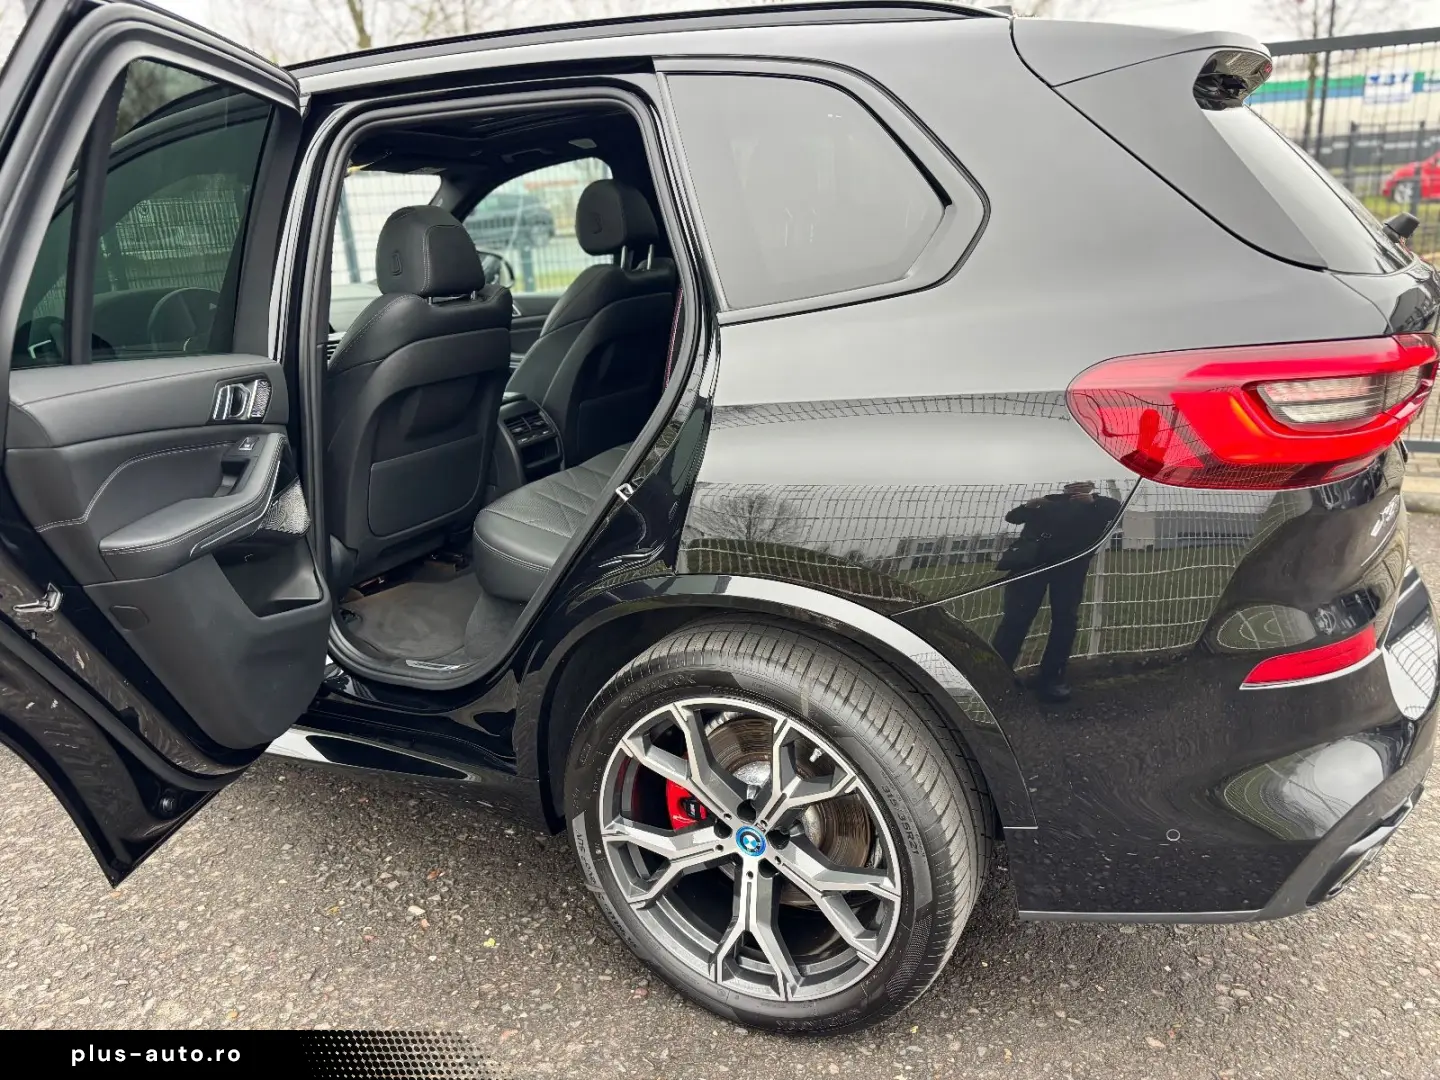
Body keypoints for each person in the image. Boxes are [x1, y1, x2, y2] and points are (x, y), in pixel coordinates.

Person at [991, 481, 1122, 702]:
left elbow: (1116, 511)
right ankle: (996, 676)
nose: (1076, 489)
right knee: (1016, 619)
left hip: (1070, 567)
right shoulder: (1048, 502)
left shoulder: (1100, 505)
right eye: (1072, 485)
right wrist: (1029, 507)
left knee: (1065, 620)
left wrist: (1093, 501)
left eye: (1083, 485)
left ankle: (1052, 677)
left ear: (1090, 487)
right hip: (1032, 565)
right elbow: (1013, 517)